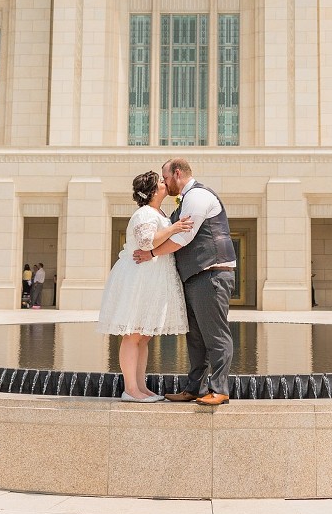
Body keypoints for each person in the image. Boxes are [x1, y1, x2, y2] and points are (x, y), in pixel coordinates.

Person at [133, 158, 235, 406]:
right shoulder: (186, 200)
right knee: (196, 337)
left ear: (177, 173)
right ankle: (194, 388)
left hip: (211, 272)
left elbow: (186, 237)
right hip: (195, 276)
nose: (165, 185)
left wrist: (152, 254)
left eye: (165, 178)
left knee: (216, 335)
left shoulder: (198, 196)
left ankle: (219, 390)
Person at [97, 170, 193, 402]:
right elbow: (145, 241)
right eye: (161, 181)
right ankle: (130, 389)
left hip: (153, 278)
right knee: (133, 334)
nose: (165, 182)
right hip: (138, 278)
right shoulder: (144, 214)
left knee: (145, 335)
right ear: (151, 190)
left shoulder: (158, 212)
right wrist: (173, 228)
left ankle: (141, 386)